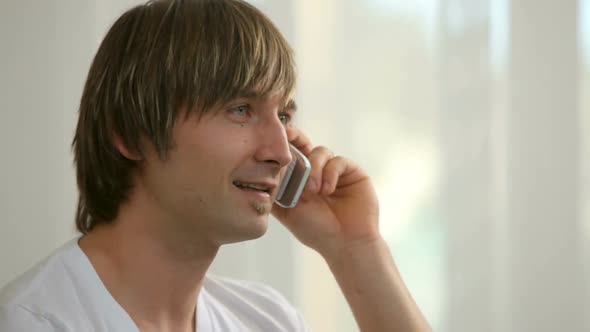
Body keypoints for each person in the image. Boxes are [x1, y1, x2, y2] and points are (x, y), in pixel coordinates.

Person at [0, 0, 431, 331]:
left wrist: (356, 249)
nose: (282, 152)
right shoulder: (33, 323)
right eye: (240, 109)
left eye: (283, 116)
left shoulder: (269, 320)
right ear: (130, 134)